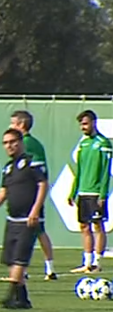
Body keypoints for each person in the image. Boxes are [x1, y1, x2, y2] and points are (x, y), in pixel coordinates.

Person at [0, 129, 48, 309]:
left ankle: (10, 295)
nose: (9, 146)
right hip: (12, 219)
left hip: (28, 219)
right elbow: (3, 193)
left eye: (12, 142)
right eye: (5, 143)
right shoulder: (8, 167)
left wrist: (35, 210)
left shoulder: (32, 163)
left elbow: (43, 184)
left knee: (19, 259)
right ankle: (22, 298)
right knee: (10, 259)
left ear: (20, 142)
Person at [9, 110, 56, 280]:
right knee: (36, 231)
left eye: (13, 123)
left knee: (30, 231)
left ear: (21, 125)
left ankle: (31, 268)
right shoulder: (33, 143)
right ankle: (46, 268)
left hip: (30, 195)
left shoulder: (27, 144)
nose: (10, 126)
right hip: (30, 194)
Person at [68, 110, 112, 274]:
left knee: (97, 226)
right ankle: (87, 262)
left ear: (94, 122)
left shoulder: (103, 143)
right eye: (81, 124)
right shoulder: (83, 144)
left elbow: (106, 171)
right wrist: (73, 191)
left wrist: (103, 194)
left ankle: (97, 262)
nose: (83, 127)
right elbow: (79, 170)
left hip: (96, 193)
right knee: (84, 226)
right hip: (83, 192)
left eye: (85, 123)